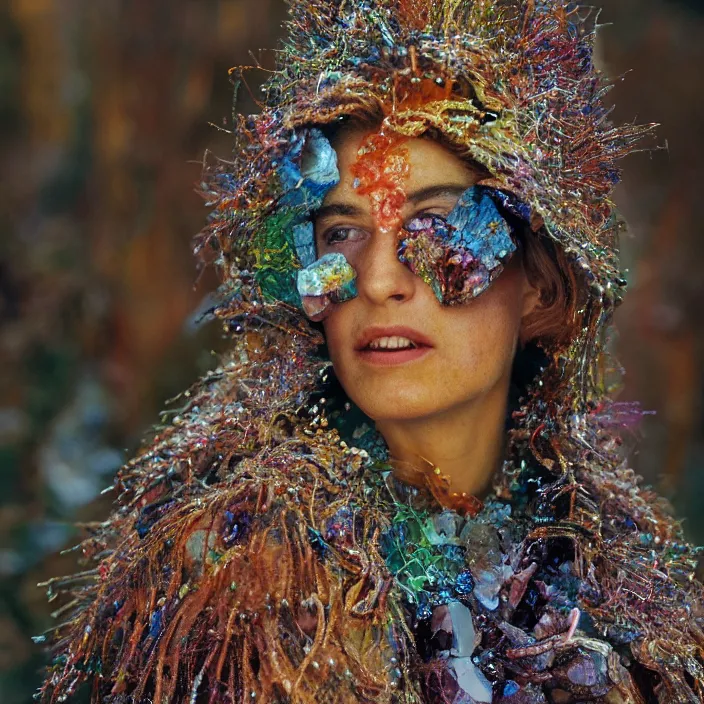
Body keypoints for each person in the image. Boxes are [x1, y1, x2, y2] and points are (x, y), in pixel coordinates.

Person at [38, 0, 704, 702]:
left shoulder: (624, 583)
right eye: (342, 234)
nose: (380, 281)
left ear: (540, 282)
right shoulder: (238, 575)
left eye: (437, 225)